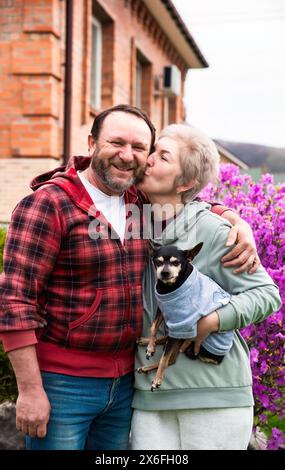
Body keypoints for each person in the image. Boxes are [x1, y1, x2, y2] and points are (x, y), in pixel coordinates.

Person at [0, 105, 259, 450]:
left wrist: (236, 220)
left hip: (126, 386)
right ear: (92, 143)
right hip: (64, 385)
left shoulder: (138, 202)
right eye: (116, 142)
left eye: (140, 148)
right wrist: (30, 390)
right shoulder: (49, 205)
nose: (127, 156)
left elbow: (187, 200)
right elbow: (15, 301)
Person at [131, 124, 281, 450]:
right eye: (153, 151)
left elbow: (268, 295)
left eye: (163, 156)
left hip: (215, 399)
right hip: (149, 399)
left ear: (185, 183)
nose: (149, 159)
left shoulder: (214, 230)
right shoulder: (131, 221)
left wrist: (212, 321)